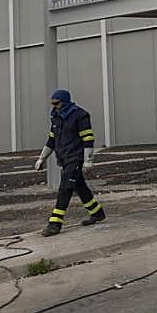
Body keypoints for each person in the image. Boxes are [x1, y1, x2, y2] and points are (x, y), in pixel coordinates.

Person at [34, 89, 104, 236]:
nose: (54, 106)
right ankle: (97, 213)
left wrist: (88, 160)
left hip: (76, 158)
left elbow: (88, 139)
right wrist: (42, 158)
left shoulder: (80, 115)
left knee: (65, 189)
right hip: (64, 158)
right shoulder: (56, 117)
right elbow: (51, 140)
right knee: (80, 187)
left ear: (64, 101)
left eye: (56, 103)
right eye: (52, 103)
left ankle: (55, 223)